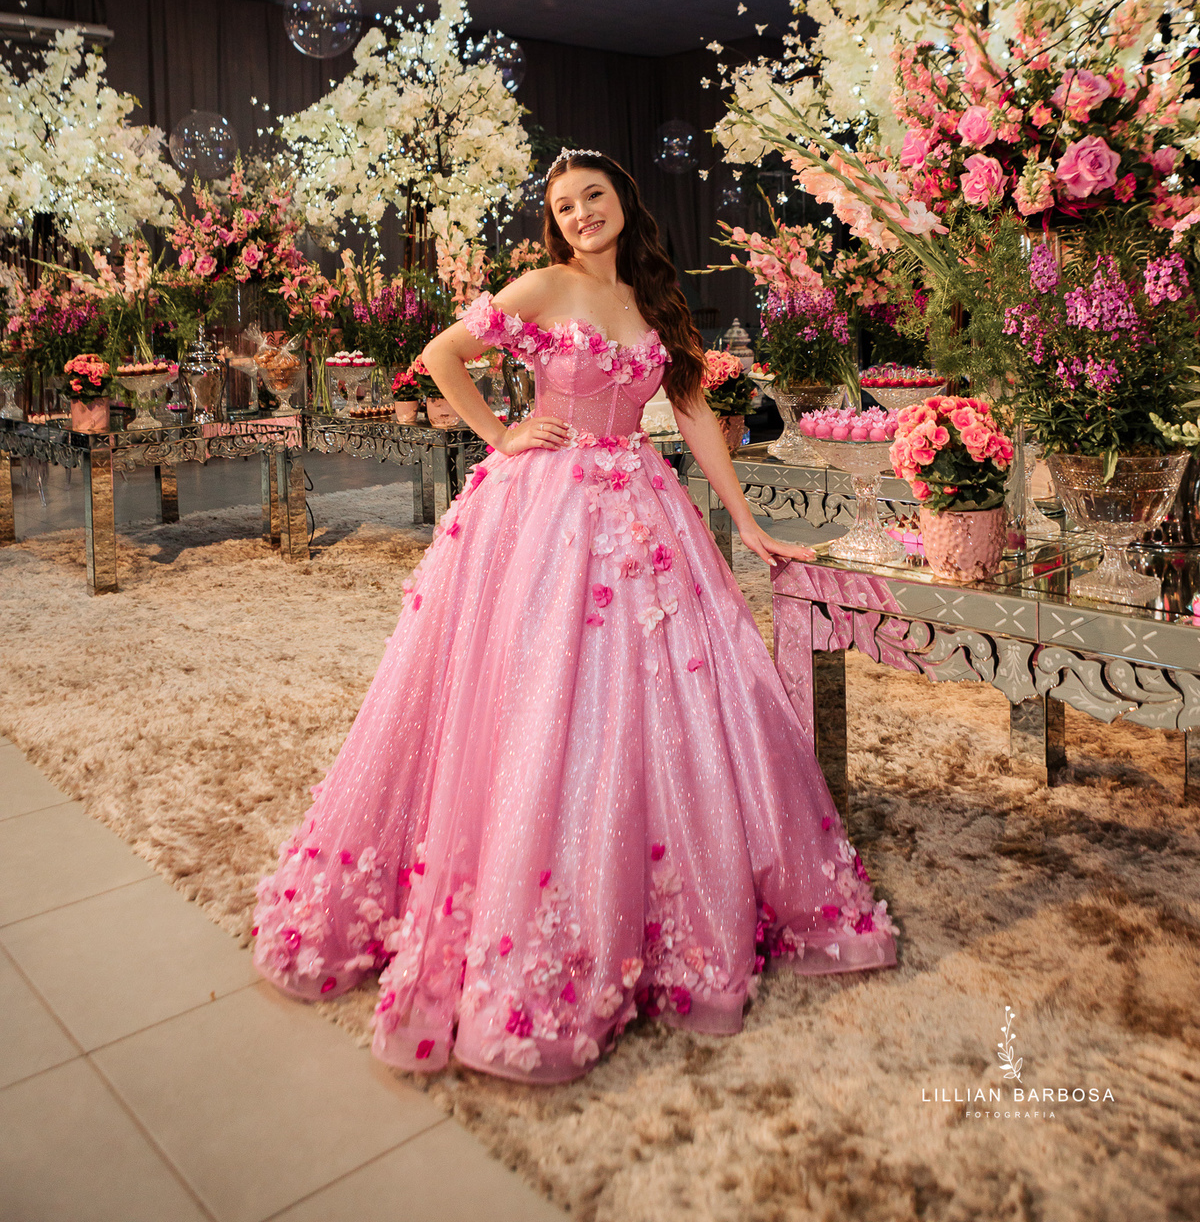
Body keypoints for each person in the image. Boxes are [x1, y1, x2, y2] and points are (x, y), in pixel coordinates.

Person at [253, 151, 896, 1082]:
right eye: (564, 204)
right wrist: (500, 431)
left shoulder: (653, 302)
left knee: (663, 701)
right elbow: (440, 353)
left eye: (594, 196)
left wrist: (747, 522)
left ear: (623, 204)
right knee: (538, 695)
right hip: (546, 509)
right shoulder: (544, 285)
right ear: (554, 223)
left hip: (642, 505)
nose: (582, 213)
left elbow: (695, 412)